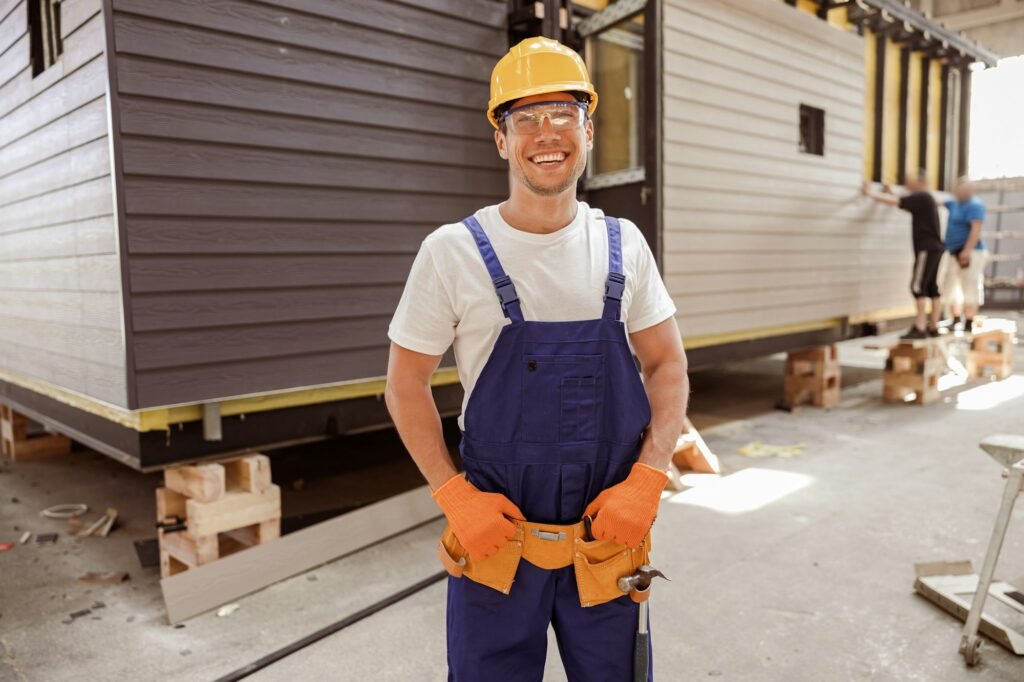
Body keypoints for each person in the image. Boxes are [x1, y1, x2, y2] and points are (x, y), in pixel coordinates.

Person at [384, 37, 688, 680]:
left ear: (588, 129)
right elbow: (405, 384)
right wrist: (454, 497)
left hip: (608, 542)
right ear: (500, 138)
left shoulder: (623, 245)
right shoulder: (451, 251)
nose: (545, 133)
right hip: (494, 546)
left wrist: (649, 478)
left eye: (562, 113)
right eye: (524, 117)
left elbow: (666, 365)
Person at [862, 173, 945, 339]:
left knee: (917, 287)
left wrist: (870, 193)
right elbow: (904, 205)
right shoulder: (926, 199)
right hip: (935, 247)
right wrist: (890, 192)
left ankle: (920, 327)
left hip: (926, 248)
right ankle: (933, 326)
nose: (907, 187)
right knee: (931, 287)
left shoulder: (922, 196)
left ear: (919, 183)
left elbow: (897, 202)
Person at [941, 177, 988, 333]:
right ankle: (954, 319)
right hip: (953, 251)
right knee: (951, 285)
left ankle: (969, 320)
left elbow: (976, 230)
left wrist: (966, 251)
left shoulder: (975, 205)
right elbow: (937, 202)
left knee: (969, 285)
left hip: (970, 252)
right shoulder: (954, 204)